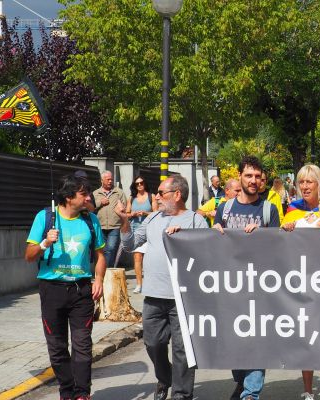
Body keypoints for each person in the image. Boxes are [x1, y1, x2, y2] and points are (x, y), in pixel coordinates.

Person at [117, 175, 208, 400]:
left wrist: (186, 238)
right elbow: (129, 245)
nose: (156, 197)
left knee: (182, 350)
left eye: (161, 193)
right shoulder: (153, 219)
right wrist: (124, 221)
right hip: (153, 294)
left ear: (177, 195)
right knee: (153, 343)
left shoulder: (196, 221)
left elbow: (206, 255)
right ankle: (165, 377)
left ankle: (181, 394)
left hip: (183, 298)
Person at [24, 174, 106, 400]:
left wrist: (98, 280)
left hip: (81, 291)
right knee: (57, 347)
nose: (89, 197)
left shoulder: (91, 220)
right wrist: (45, 242)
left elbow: (100, 255)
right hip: (52, 291)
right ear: (69, 197)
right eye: (84, 193)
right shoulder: (45, 217)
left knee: (82, 345)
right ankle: (67, 392)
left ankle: (82, 393)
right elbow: (29, 256)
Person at [214, 157, 279, 400]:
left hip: (259, 287)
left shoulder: (268, 210)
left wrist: (263, 235)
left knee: (255, 338)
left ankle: (251, 392)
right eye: (249, 175)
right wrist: (214, 234)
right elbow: (212, 245)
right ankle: (241, 382)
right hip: (230, 285)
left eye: (258, 177)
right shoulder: (225, 209)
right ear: (240, 176)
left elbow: (277, 248)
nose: (254, 181)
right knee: (234, 338)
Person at [281, 164, 320, 400]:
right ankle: (307, 390)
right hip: (298, 284)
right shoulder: (291, 211)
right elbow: (280, 247)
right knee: (304, 337)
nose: (305, 186)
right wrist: (284, 230)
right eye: (302, 182)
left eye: (310, 181)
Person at [125, 175, 157, 294]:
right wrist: (133, 214)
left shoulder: (151, 196)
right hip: (136, 231)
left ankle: (151, 282)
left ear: (145, 184)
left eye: (141, 183)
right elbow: (126, 214)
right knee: (137, 257)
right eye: (137, 184)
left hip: (150, 230)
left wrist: (145, 213)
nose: (139, 185)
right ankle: (139, 284)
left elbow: (156, 213)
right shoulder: (131, 198)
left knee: (150, 259)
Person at [93, 170, 127, 267]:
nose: (110, 181)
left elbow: (124, 208)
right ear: (102, 180)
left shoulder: (119, 192)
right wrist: (100, 203)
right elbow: (90, 207)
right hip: (100, 226)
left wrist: (122, 209)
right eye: (108, 179)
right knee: (101, 250)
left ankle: (107, 270)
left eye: (111, 179)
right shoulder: (96, 193)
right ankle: (104, 270)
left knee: (111, 249)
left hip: (115, 226)